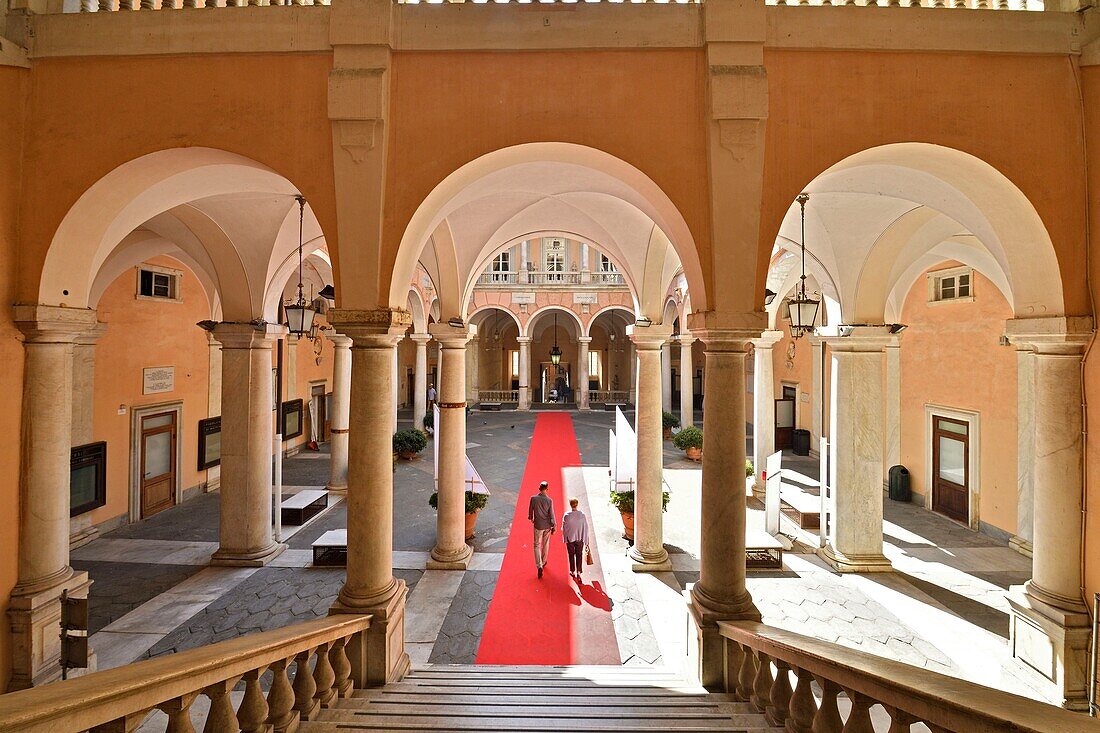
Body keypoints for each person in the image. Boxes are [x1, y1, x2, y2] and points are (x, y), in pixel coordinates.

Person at [528, 481, 555, 578]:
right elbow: (551, 514)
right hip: (547, 525)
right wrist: (554, 525)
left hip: (538, 525)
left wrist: (531, 518)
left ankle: (539, 565)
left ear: (539, 488)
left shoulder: (533, 499)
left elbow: (530, 511)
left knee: (536, 545)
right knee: (545, 544)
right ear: (547, 489)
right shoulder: (549, 501)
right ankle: (544, 562)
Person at [561, 497, 590, 580]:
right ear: (577, 504)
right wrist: (586, 540)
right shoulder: (582, 515)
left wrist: (565, 537)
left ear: (570, 505)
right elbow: (586, 527)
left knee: (571, 554)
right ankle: (579, 572)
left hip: (570, 538)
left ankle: (572, 570)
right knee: (579, 554)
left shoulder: (567, 515)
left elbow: (564, 527)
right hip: (579, 538)